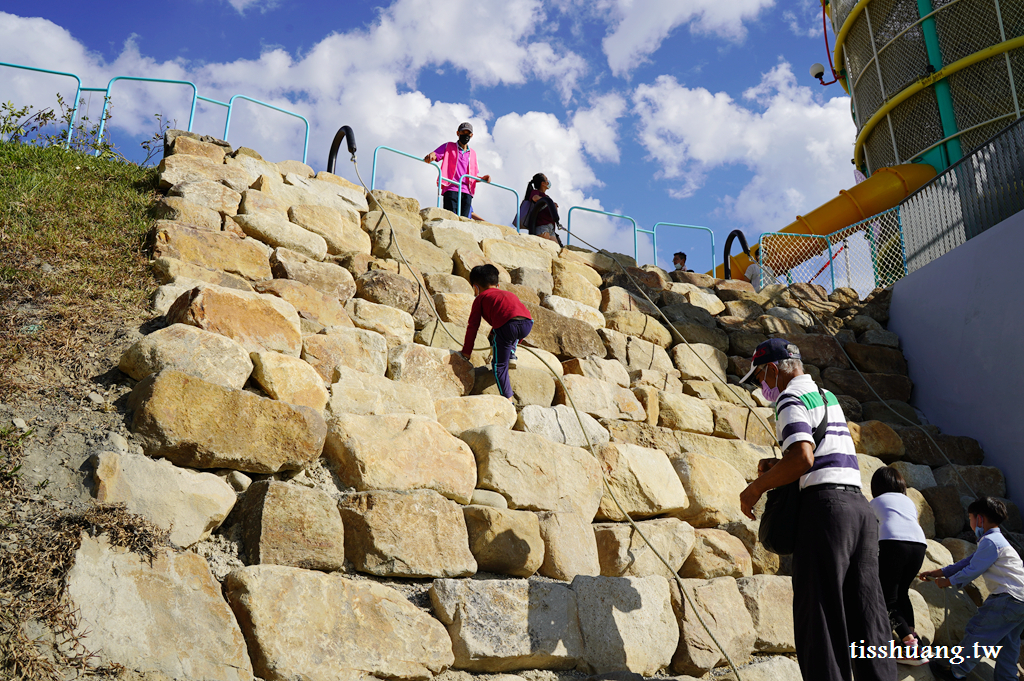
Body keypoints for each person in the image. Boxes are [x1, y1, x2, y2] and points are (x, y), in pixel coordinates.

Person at [738, 338, 895, 681]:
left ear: (775, 369)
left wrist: (755, 489)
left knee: (820, 617)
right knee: (868, 615)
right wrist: (779, 464)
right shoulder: (827, 397)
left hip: (826, 513)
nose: (762, 386)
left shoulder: (790, 398)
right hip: (860, 510)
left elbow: (803, 457)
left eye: (760, 376)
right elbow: (820, 452)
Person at [920, 496, 1024, 681]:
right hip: (1020, 601)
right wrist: (940, 572)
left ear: (980, 519)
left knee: (978, 631)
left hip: (1006, 598)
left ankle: (957, 671)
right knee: (1009, 643)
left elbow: (972, 569)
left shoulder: (990, 541)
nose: (970, 522)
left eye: (971, 518)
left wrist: (948, 581)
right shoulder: (997, 541)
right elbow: (969, 561)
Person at [869, 467, 928, 666]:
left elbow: (866, 528)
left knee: (887, 598)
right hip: (919, 545)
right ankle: (913, 638)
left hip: (892, 542)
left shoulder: (875, 502)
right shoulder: (908, 502)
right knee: (902, 593)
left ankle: (910, 646)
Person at [461, 265, 533, 401]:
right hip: (527, 323)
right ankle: (511, 352)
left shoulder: (480, 298)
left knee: (499, 365)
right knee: (505, 332)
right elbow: (515, 314)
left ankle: (508, 400)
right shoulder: (509, 294)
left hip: (507, 325)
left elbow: (473, 327)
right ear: (497, 285)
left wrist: (466, 352)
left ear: (475, 287)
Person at [424, 122, 489, 218]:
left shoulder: (473, 153)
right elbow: (435, 154)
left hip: (467, 191)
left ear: (471, 135)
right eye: (463, 133)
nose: (465, 135)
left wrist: (483, 179)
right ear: (458, 133)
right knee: (450, 217)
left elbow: (472, 176)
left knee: (464, 220)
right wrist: (430, 156)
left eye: (468, 134)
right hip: (451, 187)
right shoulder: (448, 146)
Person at [519, 173, 560, 243]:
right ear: (543, 183)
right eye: (547, 179)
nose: (548, 181)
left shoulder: (547, 197)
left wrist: (554, 206)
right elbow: (535, 198)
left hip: (551, 227)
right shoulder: (536, 192)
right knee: (545, 245)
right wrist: (547, 202)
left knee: (555, 247)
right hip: (542, 225)